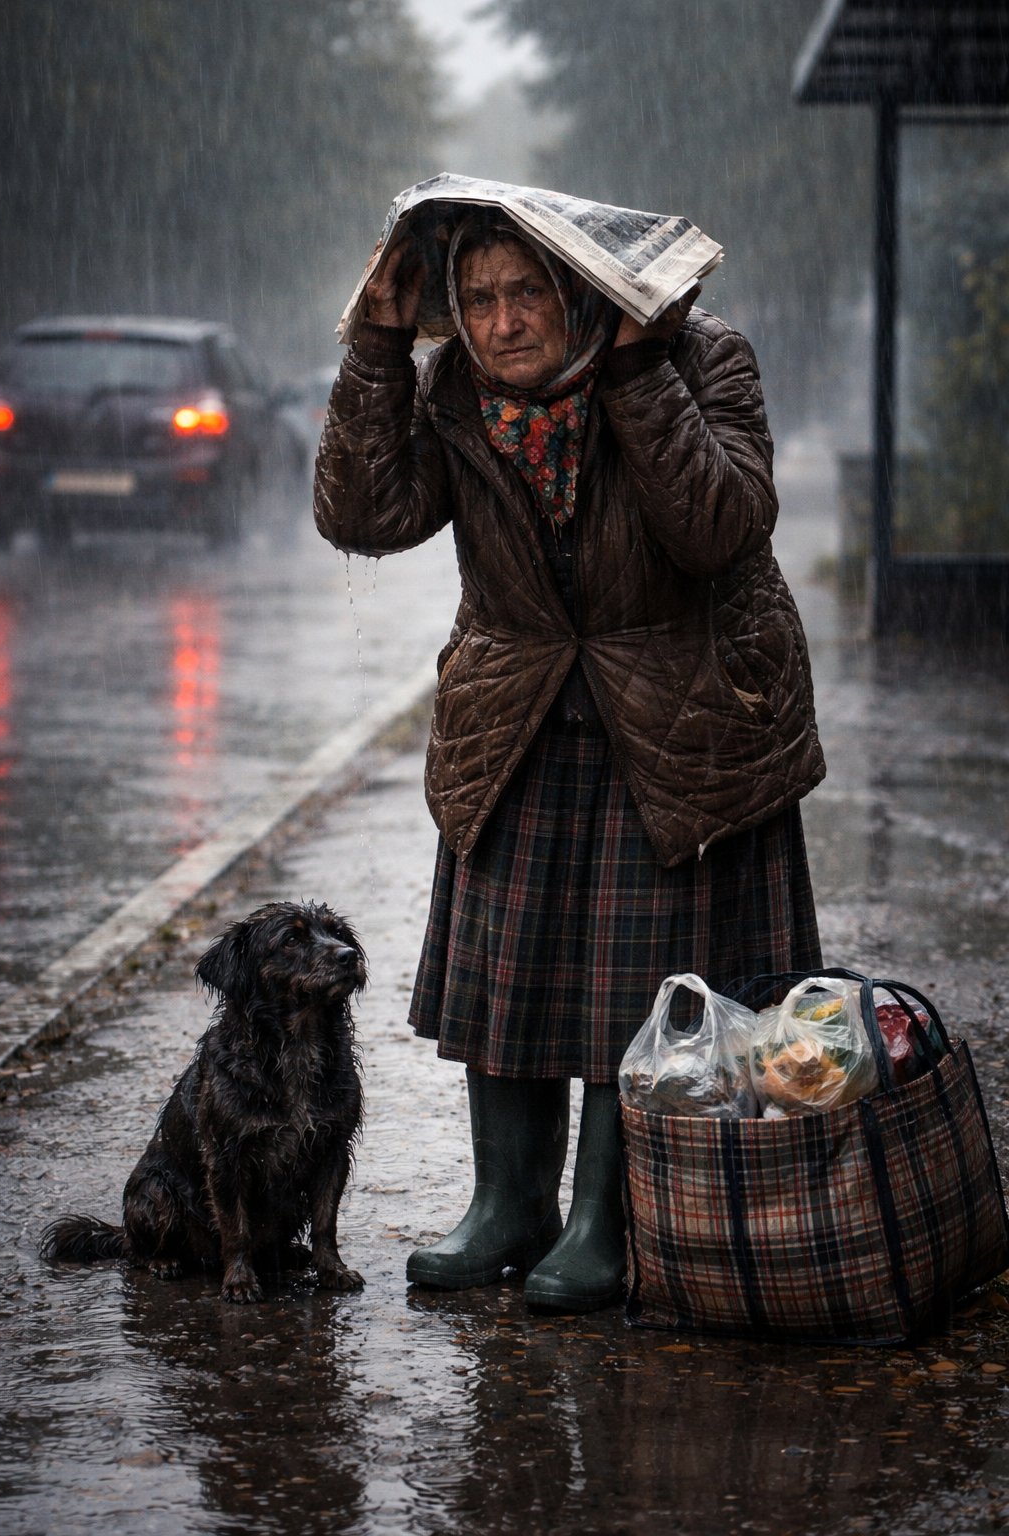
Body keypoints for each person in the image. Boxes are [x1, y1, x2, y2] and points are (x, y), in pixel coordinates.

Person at [315, 207, 825, 1313]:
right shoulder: (452, 388)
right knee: (515, 976)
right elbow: (362, 513)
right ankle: (509, 1204)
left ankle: (608, 1218)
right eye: (481, 299)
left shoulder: (703, 357)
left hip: (679, 715)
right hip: (518, 709)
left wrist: (641, 373)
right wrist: (375, 347)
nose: (502, 323)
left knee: (635, 992)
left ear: (583, 290)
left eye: (529, 296)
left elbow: (720, 527)